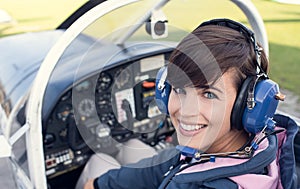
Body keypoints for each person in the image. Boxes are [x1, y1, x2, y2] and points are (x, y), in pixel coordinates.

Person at [81, 18, 298, 189]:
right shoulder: (256, 144)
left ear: (249, 105)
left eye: (209, 94)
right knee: (130, 148)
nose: (184, 110)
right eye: (180, 89)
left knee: (97, 161)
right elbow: (175, 161)